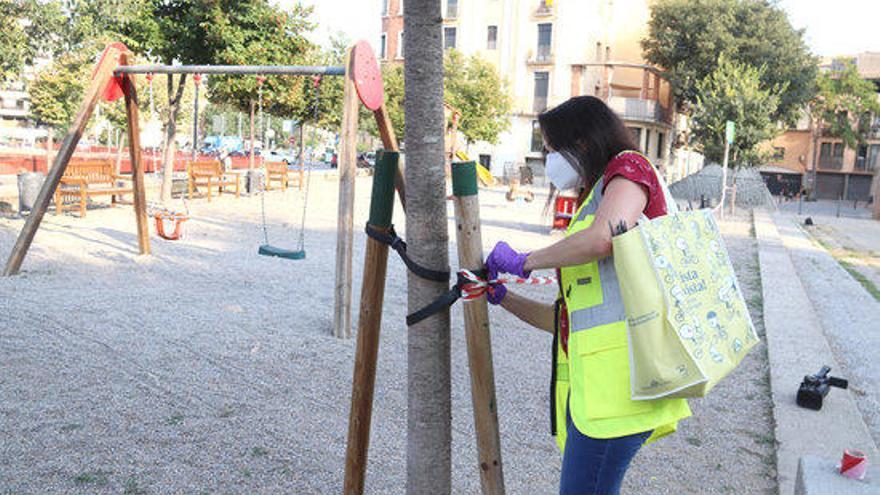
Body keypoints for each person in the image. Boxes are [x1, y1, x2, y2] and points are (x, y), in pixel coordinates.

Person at [484, 96, 691, 495]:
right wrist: (503, 298)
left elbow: (601, 239)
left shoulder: (629, 170)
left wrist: (525, 261)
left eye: (549, 148)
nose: (546, 159)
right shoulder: (595, 195)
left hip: (621, 395)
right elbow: (568, 321)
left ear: (581, 142)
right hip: (602, 395)